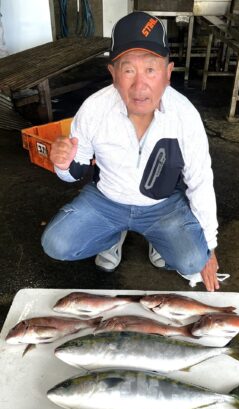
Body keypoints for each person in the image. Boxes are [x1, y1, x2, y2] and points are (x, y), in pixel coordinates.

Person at [42, 11, 220, 292]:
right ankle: (112, 235)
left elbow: (200, 180)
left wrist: (209, 244)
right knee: (56, 244)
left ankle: (158, 238)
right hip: (107, 202)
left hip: (161, 207)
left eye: (150, 69)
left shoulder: (185, 115)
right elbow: (73, 172)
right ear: (113, 74)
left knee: (192, 259)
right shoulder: (94, 109)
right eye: (128, 70)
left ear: (167, 73)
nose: (140, 85)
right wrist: (62, 164)